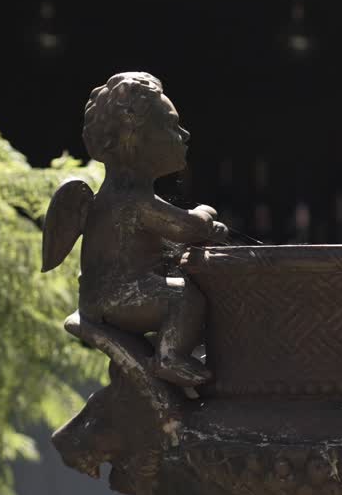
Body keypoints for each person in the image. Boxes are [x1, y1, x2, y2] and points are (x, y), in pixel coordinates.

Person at [42, 72, 227, 386]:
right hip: (119, 297)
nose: (183, 134)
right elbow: (187, 227)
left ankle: (173, 348)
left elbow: (157, 240)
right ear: (134, 139)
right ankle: (170, 356)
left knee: (183, 288)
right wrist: (205, 215)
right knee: (187, 299)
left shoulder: (118, 196)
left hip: (108, 293)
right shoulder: (131, 199)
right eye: (171, 125)